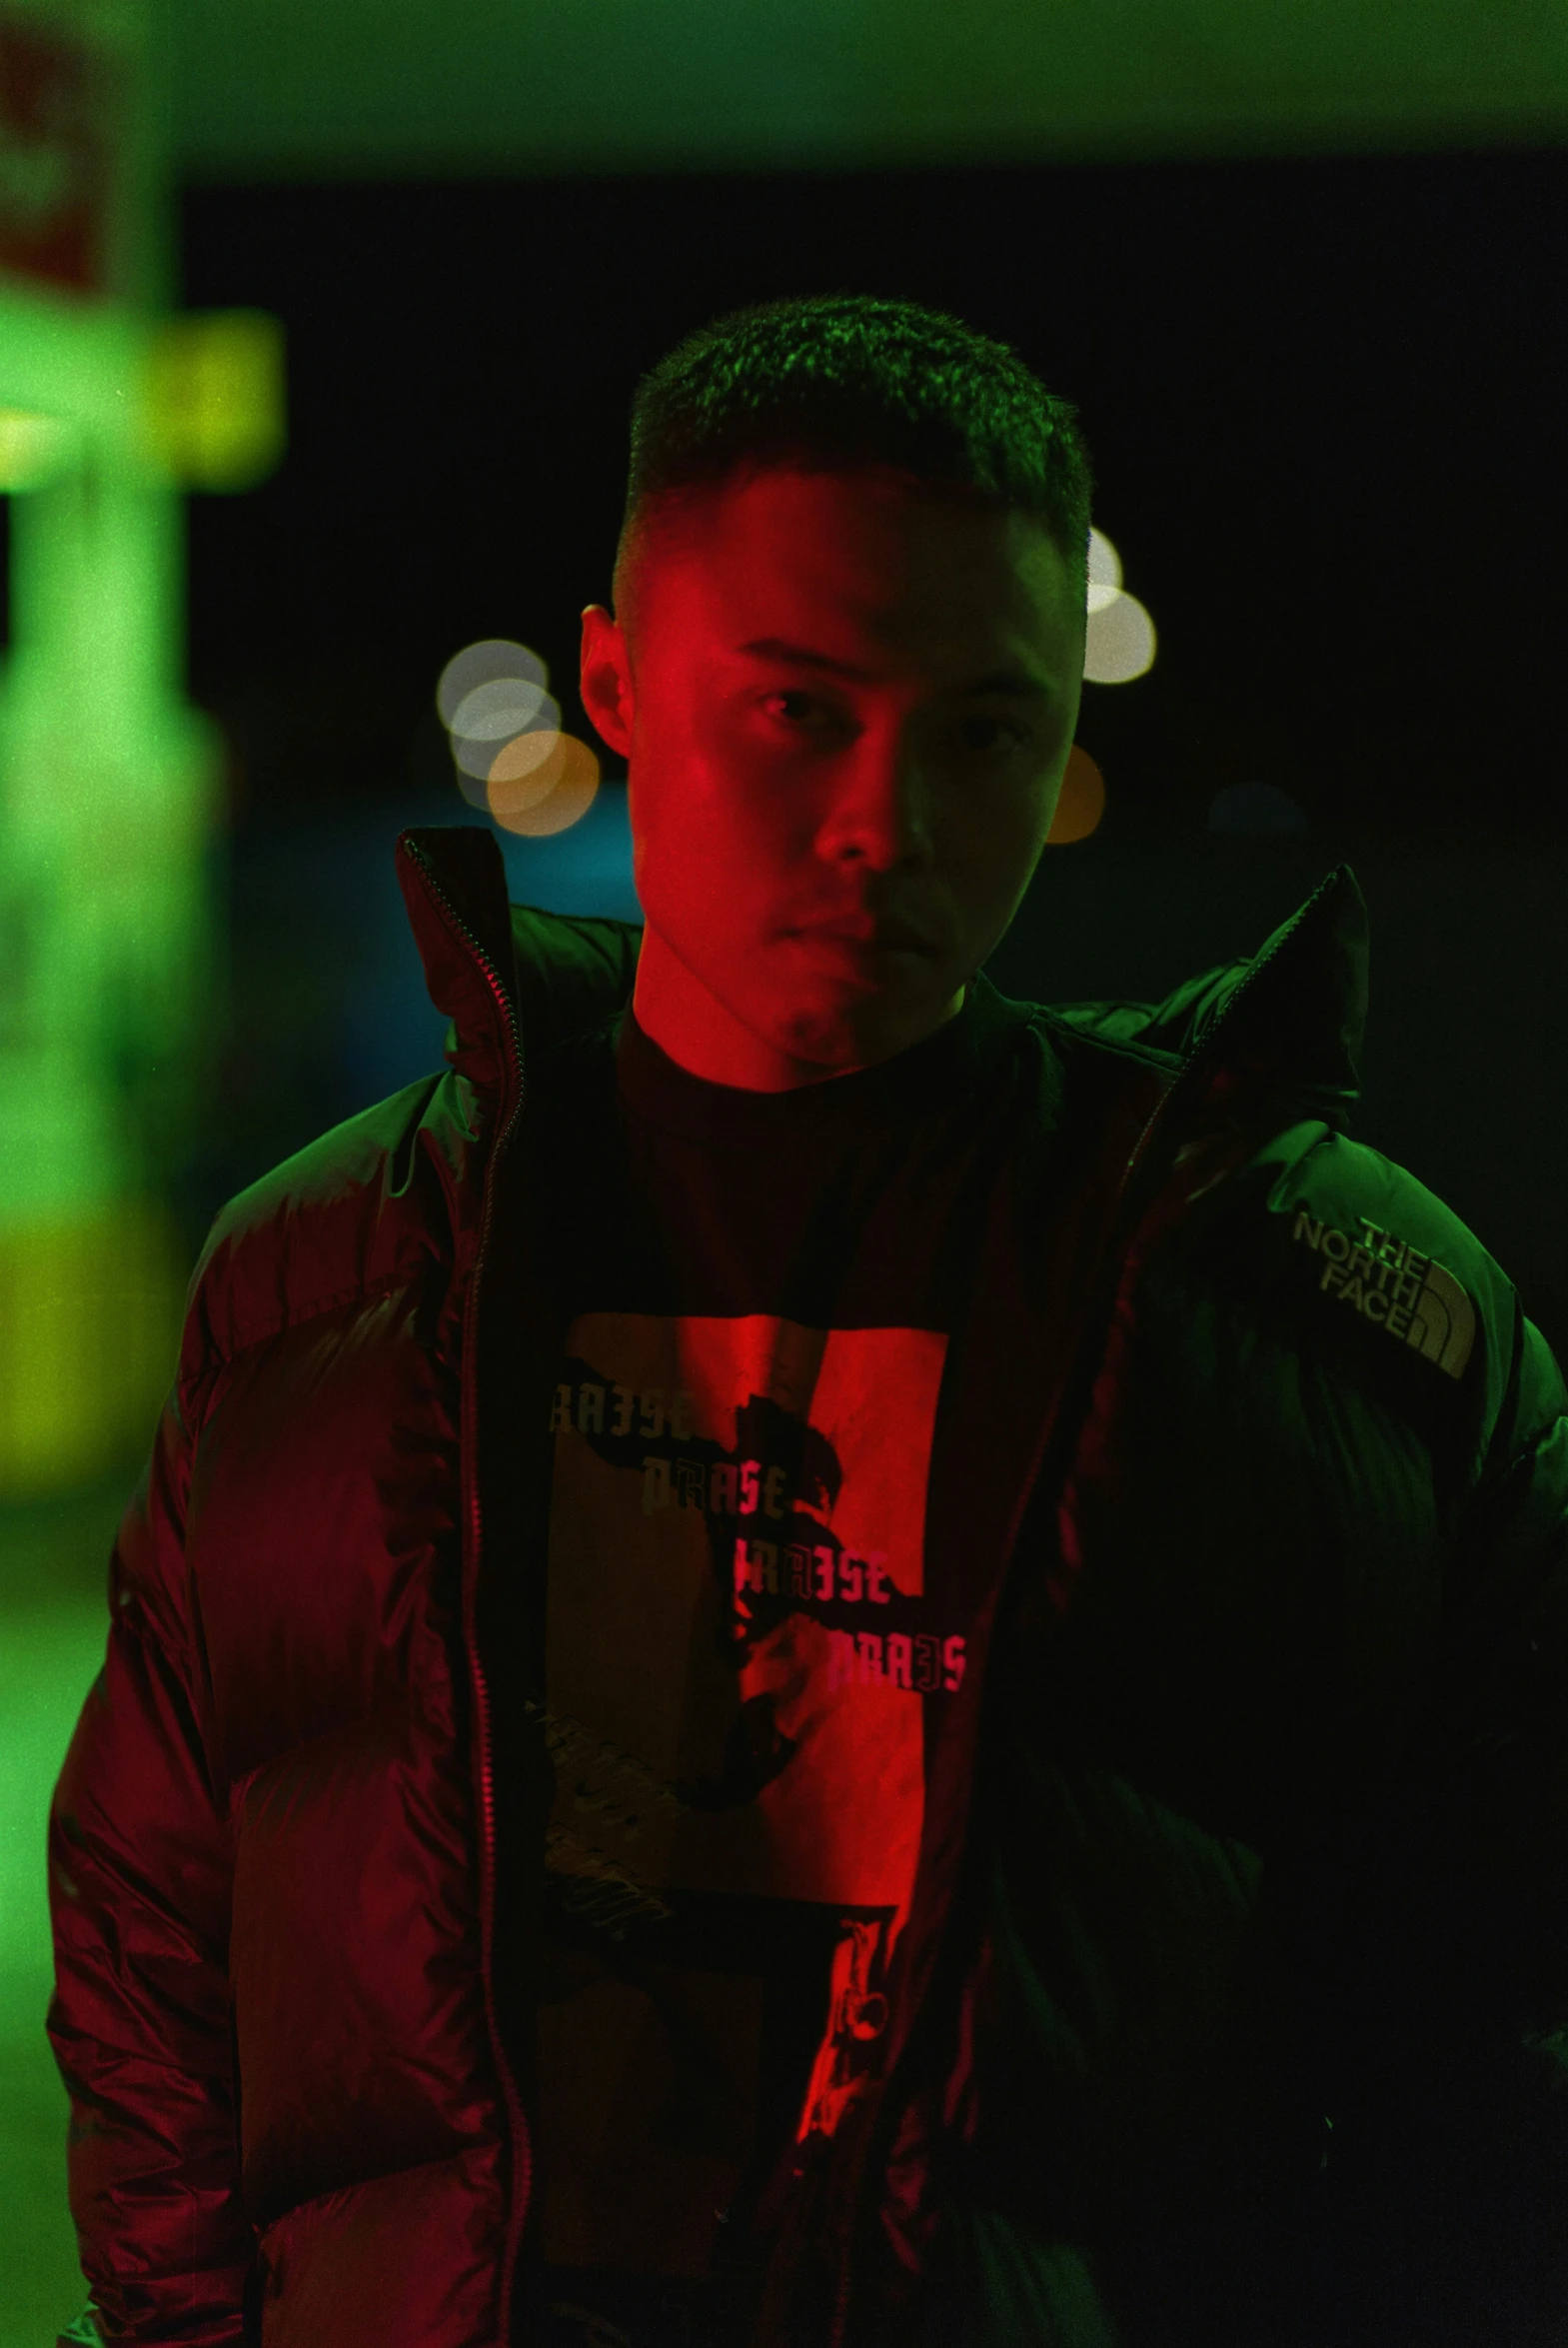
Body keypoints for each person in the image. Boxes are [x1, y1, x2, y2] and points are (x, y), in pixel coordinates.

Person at [45, 291, 1568, 2348]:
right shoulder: (330, 1273)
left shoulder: (1341, 1329)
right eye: (797, 708)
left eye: (982, 730)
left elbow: (1481, 2021)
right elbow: (155, 1944)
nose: (887, 817)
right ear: (614, 676)